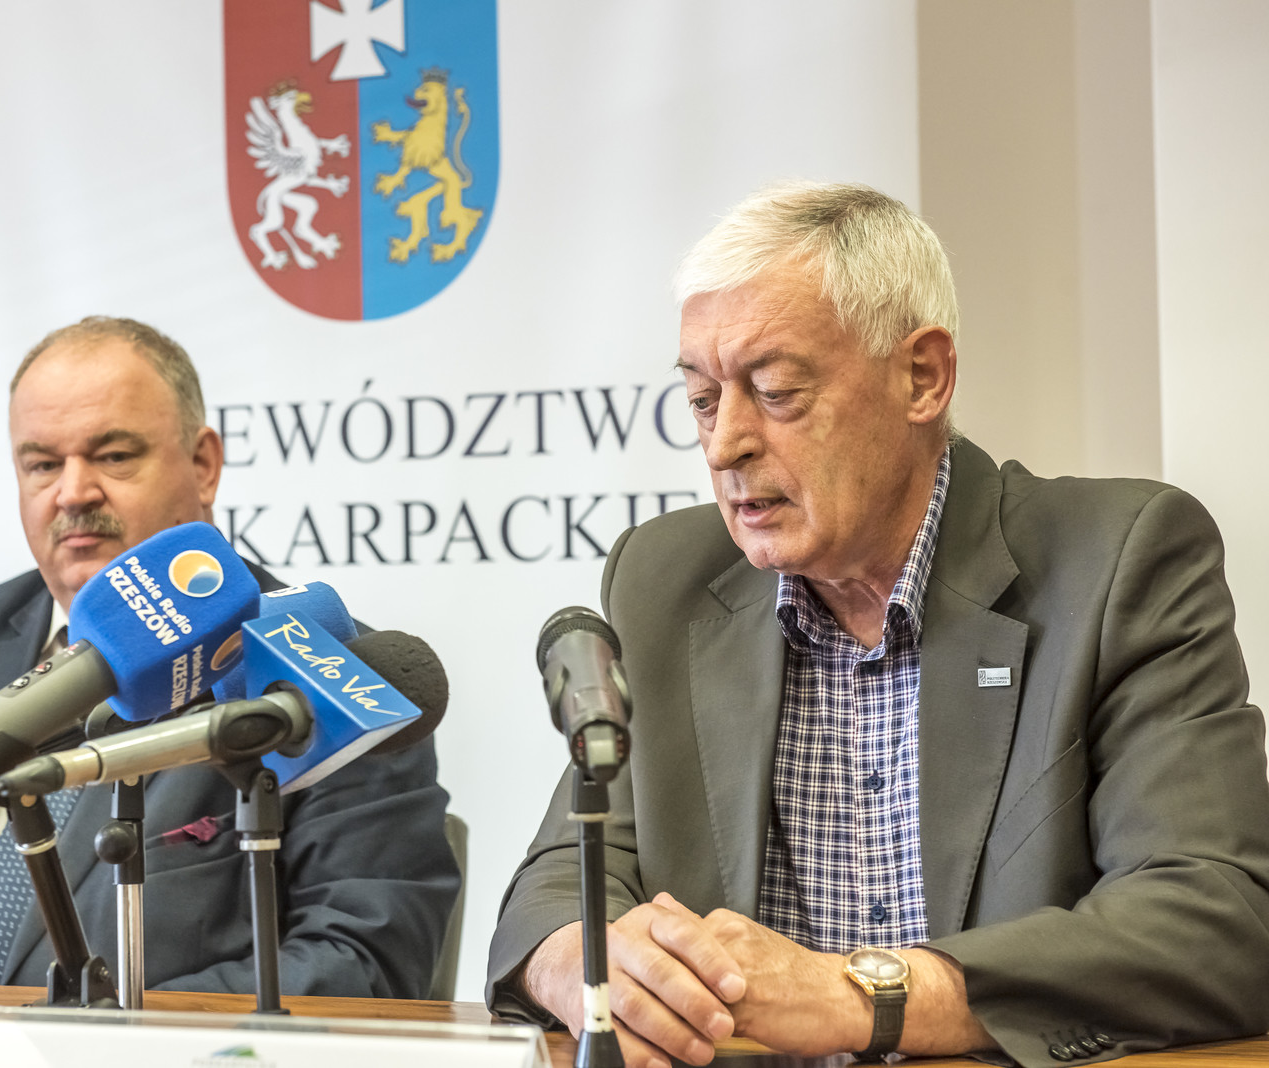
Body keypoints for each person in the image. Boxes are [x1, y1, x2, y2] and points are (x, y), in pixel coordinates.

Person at [485, 184, 1269, 1067]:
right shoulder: (667, 581)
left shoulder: (1115, 563)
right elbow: (564, 875)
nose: (726, 443)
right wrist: (581, 964)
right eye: (703, 400)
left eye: (776, 391)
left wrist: (863, 994)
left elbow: (1216, 918)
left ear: (923, 377)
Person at [0, 316, 459, 997]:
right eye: (42, 464)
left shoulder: (326, 675)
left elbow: (363, 957)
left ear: (203, 465)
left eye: (114, 456)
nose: (73, 492)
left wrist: (73, 1043)